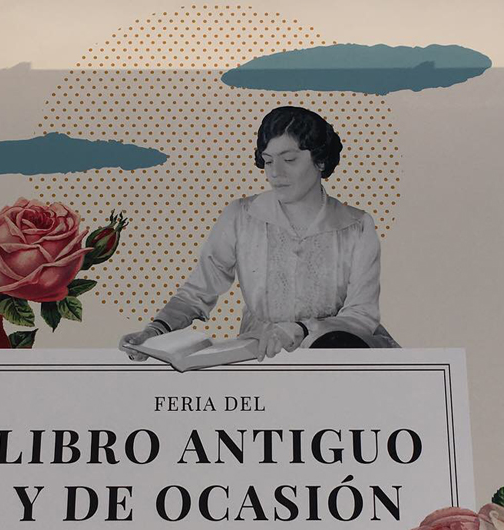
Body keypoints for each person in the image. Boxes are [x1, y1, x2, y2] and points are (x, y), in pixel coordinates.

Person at [120, 105, 398, 361]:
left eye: (289, 159)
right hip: (262, 352)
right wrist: (155, 331)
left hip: (342, 352)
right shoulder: (241, 216)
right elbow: (198, 292)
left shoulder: (357, 225)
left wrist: (302, 329)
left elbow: (362, 314)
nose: (275, 172)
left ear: (321, 161)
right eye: (268, 161)